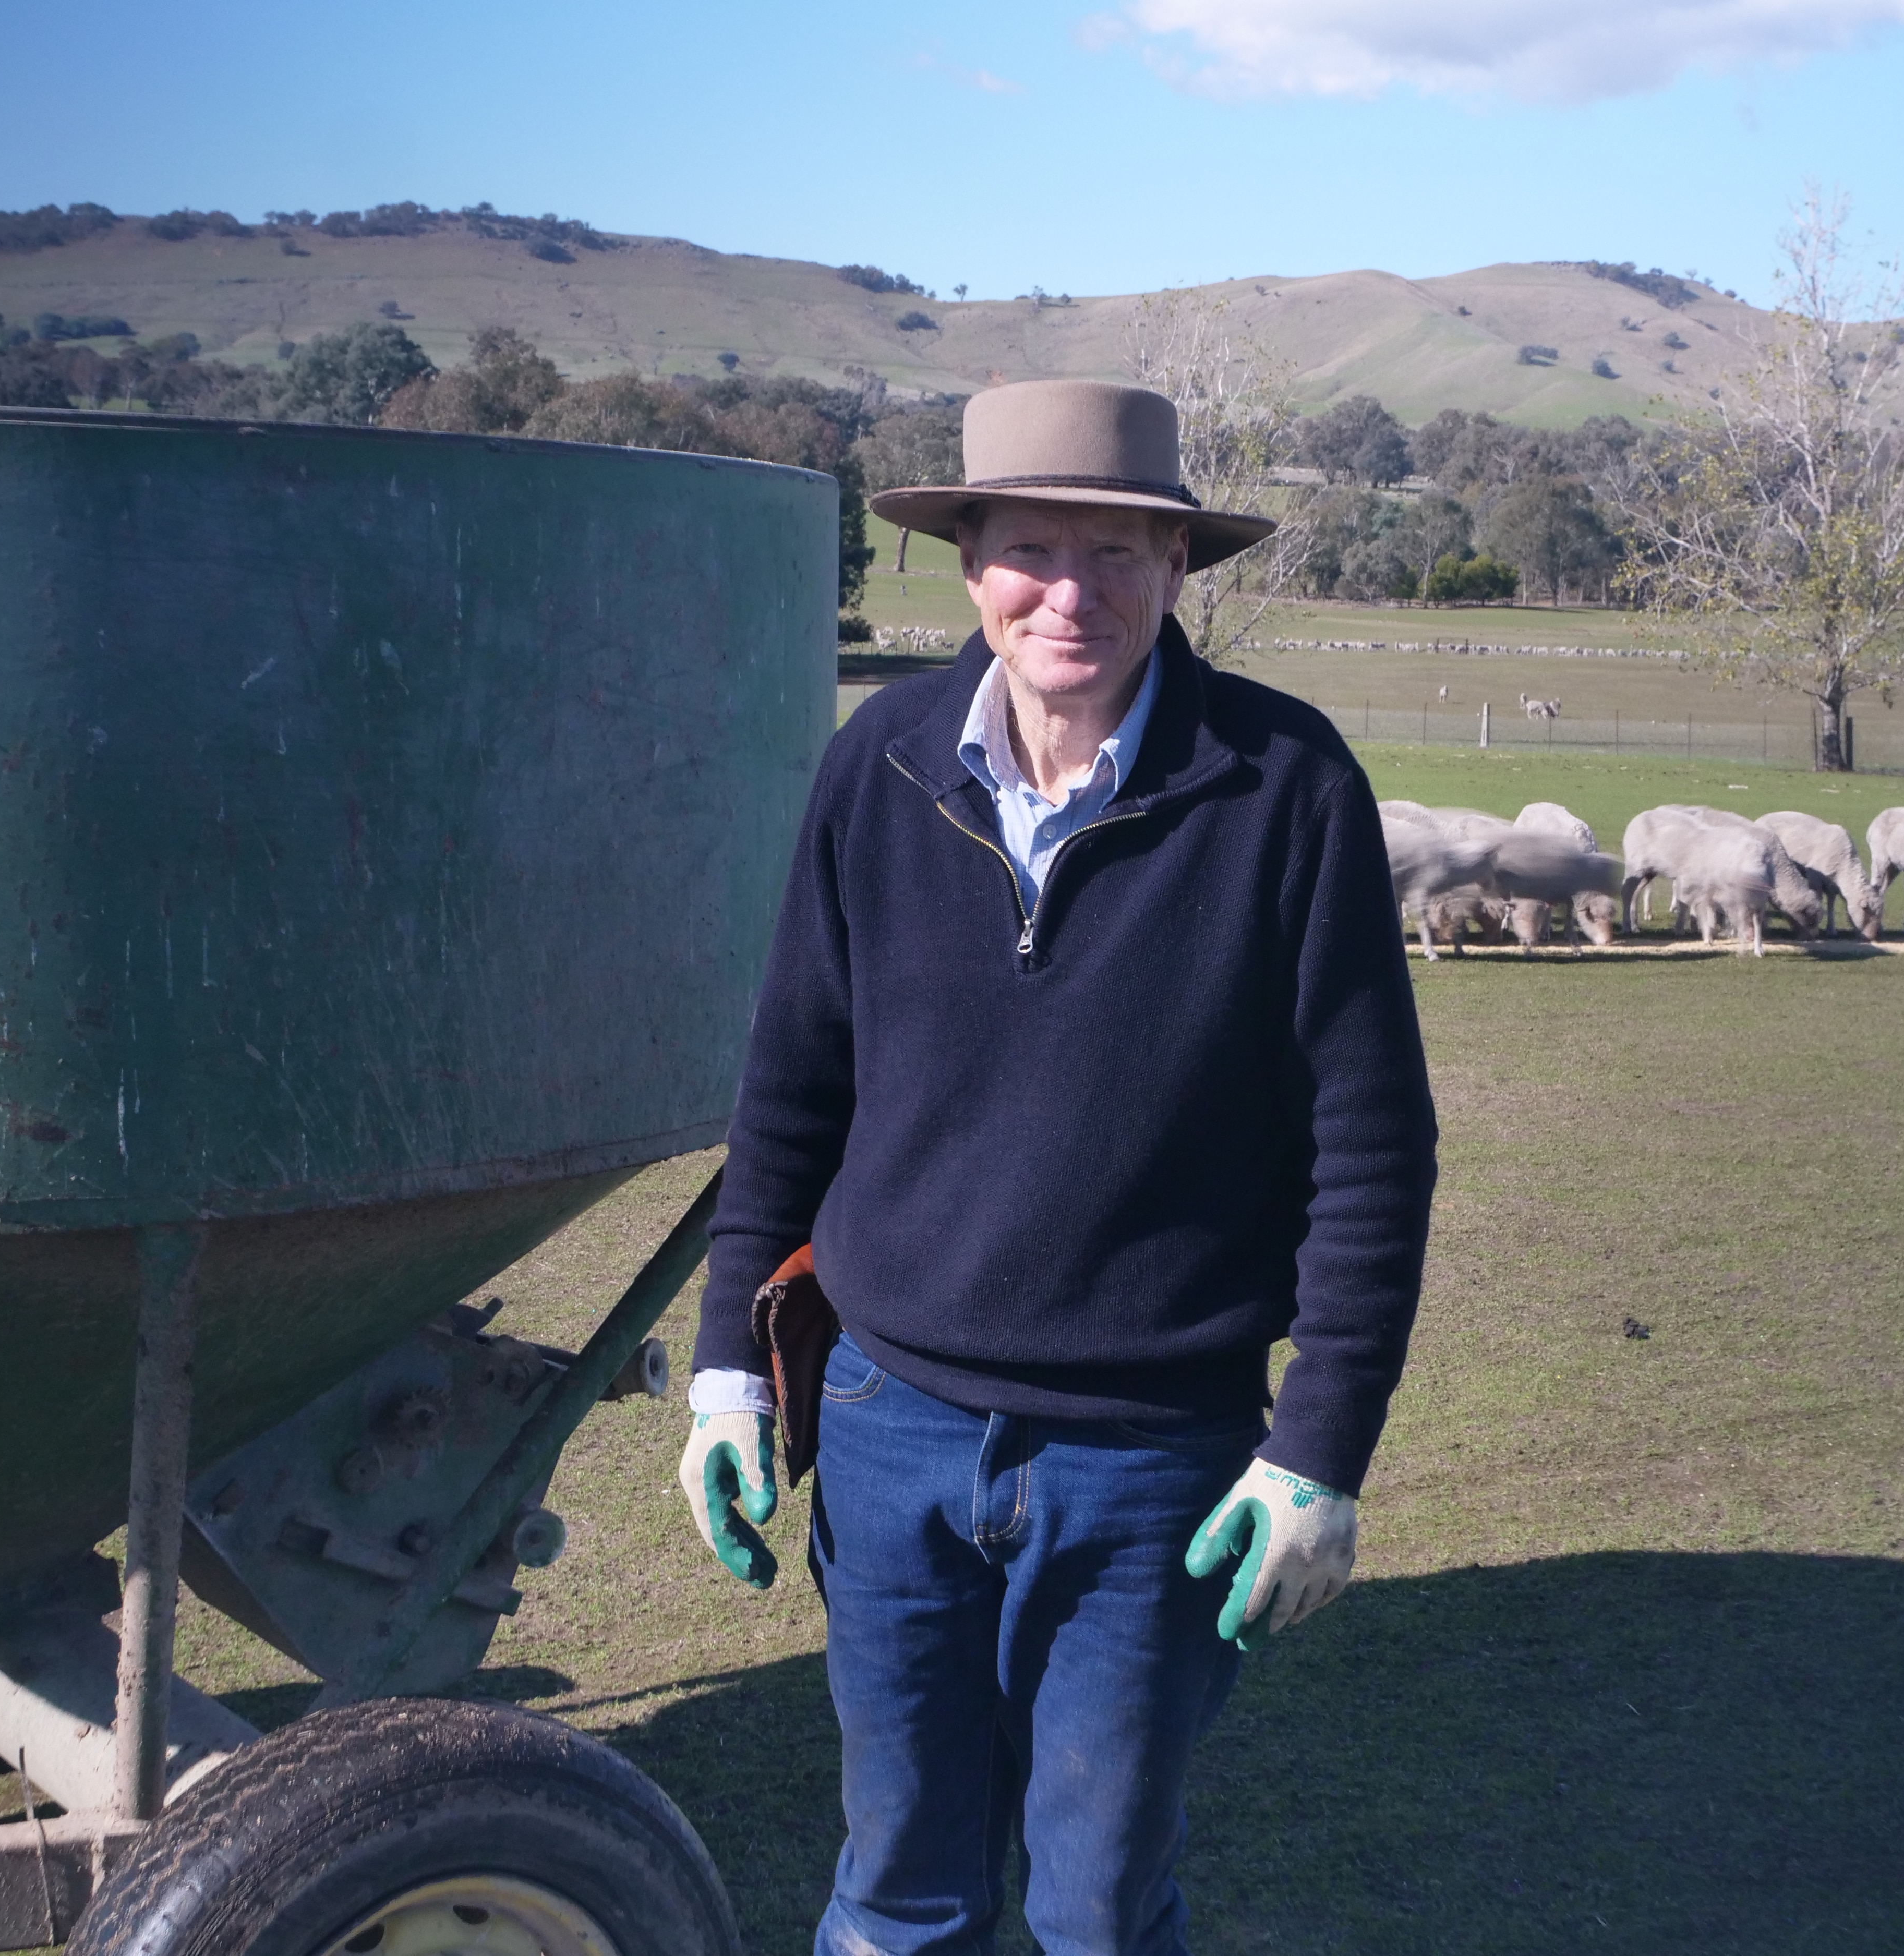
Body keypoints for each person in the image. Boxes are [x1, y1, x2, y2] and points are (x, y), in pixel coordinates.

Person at [677, 378, 1437, 1955]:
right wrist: (724, 1377)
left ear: (1178, 567)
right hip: (888, 1435)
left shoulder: (1286, 788)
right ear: (966, 565)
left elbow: (1374, 1146)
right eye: (1028, 548)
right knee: (898, 1894)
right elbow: (790, 1092)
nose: (1069, 592)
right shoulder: (879, 765)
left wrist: (1321, 1451)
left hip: (1153, 1455)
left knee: (1098, 1909)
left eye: (1115, 551)